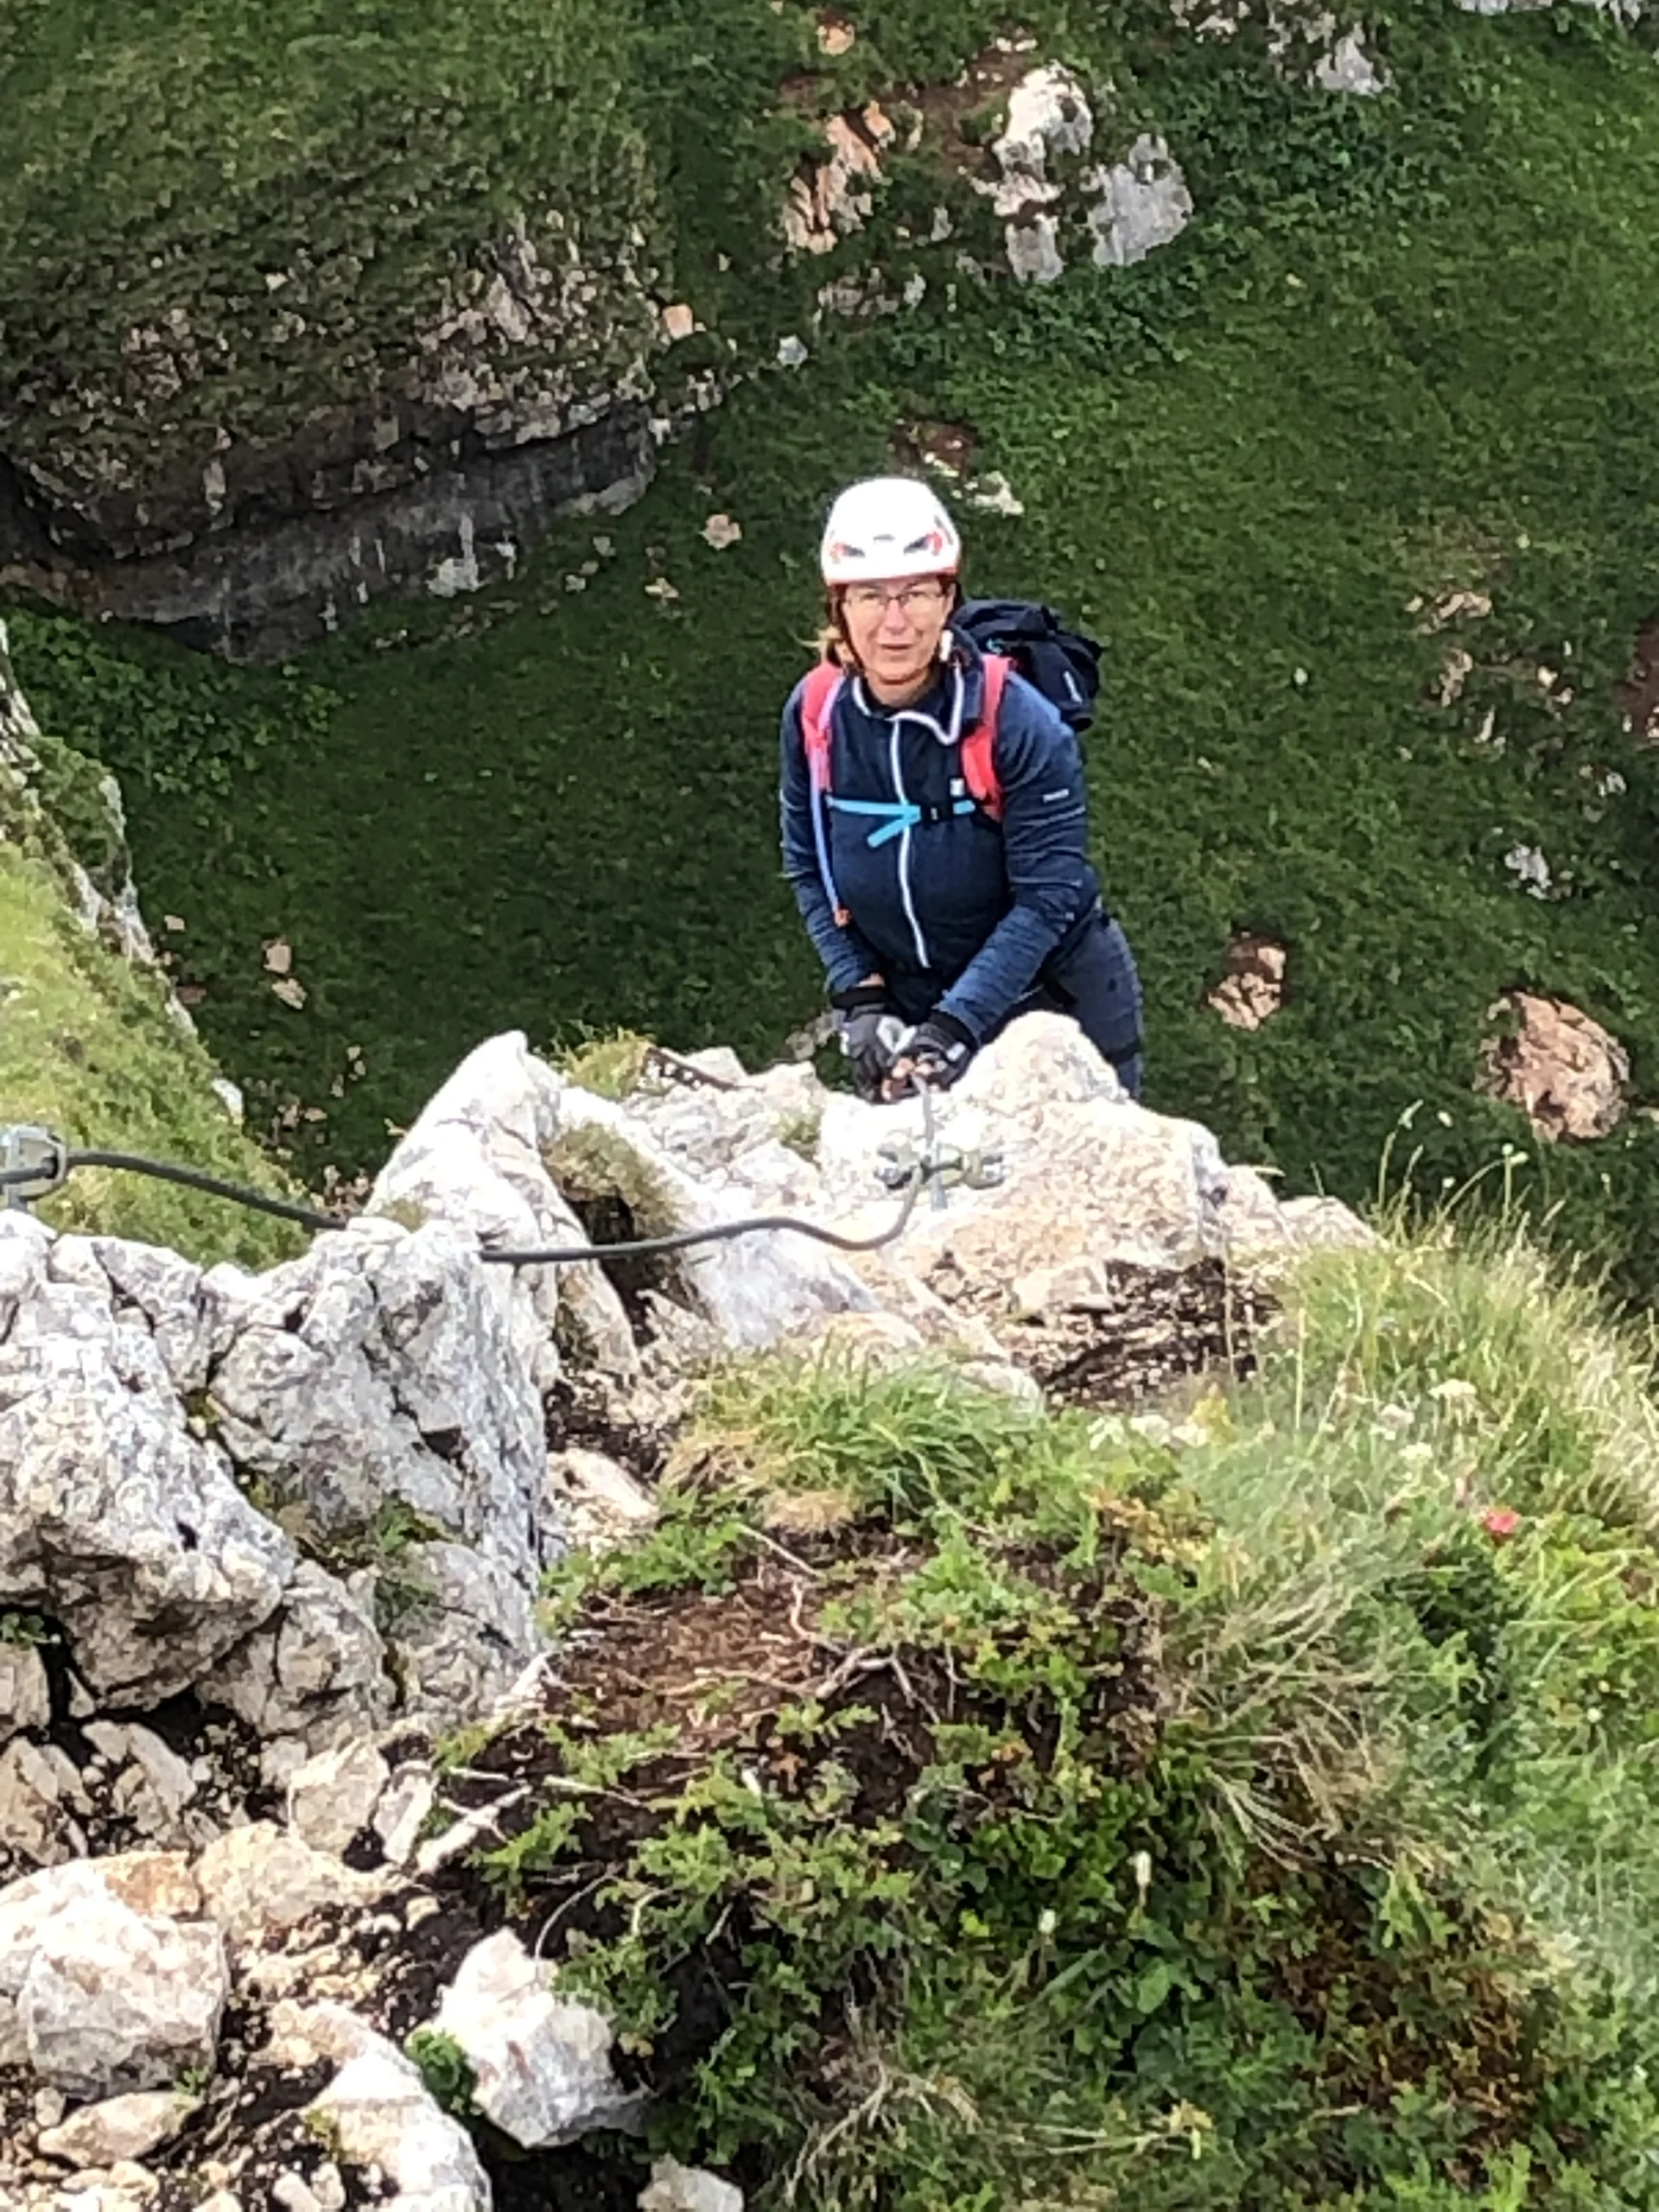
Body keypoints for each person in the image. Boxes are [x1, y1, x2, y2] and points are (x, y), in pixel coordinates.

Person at [779, 475, 1144, 1103]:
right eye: (870, 596)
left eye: (916, 593)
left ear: (948, 599)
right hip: (907, 1002)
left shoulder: (1018, 723)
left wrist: (954, 1026)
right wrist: (860, 990)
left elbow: (1047, 897)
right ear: (839, 608)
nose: (895, 622)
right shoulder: (816, 714)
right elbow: (807, 863)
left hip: (1053, 1005)